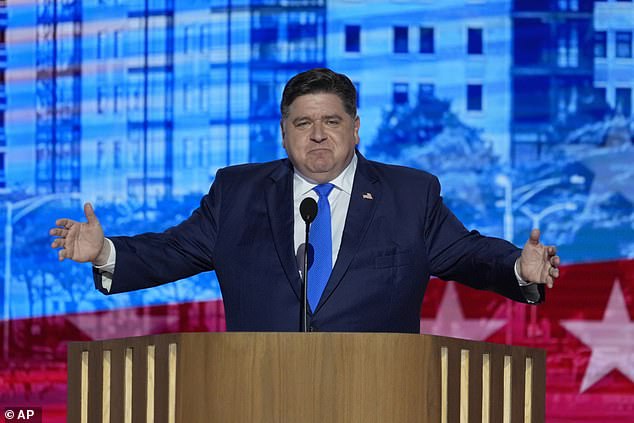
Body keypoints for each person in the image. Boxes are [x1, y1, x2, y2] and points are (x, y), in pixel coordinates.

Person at [49, 68, 560, 333]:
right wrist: (104, 251)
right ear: (283, 132)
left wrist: (517, 265)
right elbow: (174, 250)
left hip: (380, 396)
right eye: (303, 123)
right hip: (258, 394)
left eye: (332, 122)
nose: (318, 135)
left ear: (355, 129)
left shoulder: (410, 194)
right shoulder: (237, 191)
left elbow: (467, 254)